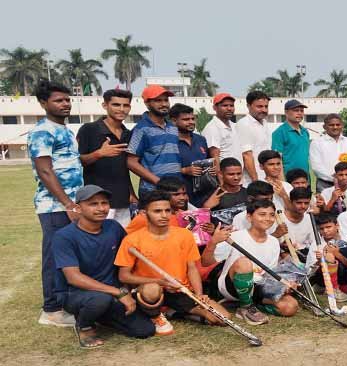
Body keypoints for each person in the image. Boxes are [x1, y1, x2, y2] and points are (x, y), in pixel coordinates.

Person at [115, 190, 230, 335]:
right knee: (152, 289)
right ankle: (155, 315)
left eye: (167, 210)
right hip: (150, 290)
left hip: (180, 289)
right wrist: (160, 281)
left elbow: (192, 268)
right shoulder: (132, 240)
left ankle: (176, 312)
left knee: (222, 318)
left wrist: (200, 294)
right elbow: (124, 276)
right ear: (144, 213)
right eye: (157, 211)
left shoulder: (184, 235)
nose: (164, 215)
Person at [53, 185, 155, 348]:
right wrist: (119, 293)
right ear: (78, 208)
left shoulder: (113, 227)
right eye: (93, 204)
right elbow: (74, 277)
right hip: (76, 294)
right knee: (100, 300)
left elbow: (127, 260)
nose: (101, 208)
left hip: (111, 293)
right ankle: (84, 326)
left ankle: (101, 315)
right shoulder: (64, 236)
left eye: (104, 203)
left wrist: (128, 288)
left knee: (145, 330)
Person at [29, 81, 83, 327]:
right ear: (43, 103)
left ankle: (65, 303)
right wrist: (68, 204)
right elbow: (45, 170)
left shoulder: (65, 130)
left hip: (71, 204)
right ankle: (51, 310)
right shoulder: (43, 131)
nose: (65, 104)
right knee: (54, 256)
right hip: (54, 207)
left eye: (67, 100)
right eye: (58, 100)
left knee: (69, 256)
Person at [206, 199, 299, 322]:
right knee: (244, 263)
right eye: (262, 214)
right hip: (232, 286)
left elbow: (268, 275)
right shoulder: (235, 236)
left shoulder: (274, 242)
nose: (268, 218)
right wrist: (213, 242)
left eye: (271, 215)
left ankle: (249, 304)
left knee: (290, 307)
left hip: (259, 286)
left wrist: (285, 284)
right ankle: (246, 307)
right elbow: (206, 262)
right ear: (249, 217)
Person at [77, 89, 137, 228]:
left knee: (121, 241)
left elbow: (123, 167)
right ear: (105, 105)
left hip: (123, 200)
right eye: (116, 105)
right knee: (100, 242)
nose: (121, 109)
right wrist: (99, 153)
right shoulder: (89, 129)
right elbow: (79, 161)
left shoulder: (127, 134)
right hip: (98, 202)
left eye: (125, 105)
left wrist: (131, 193)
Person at [126, 85, 181, 196]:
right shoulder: (141, 129)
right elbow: (131, 162)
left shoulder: (173, 127)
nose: (164, 104)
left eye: (166, 100)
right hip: (152, 191)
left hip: (175, 190)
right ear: (147, 103)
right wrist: (159, 182)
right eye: (158, 101)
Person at [171, 103, 212, 207]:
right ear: (174, 121)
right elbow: (162, 168)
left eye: (193, 119)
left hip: (204, 194)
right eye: (186, 119)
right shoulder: (169, 141)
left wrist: (210, 169)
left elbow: (207, 161)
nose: (191, 122)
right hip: (181, 195)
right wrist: (185, 170)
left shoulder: (200, 139)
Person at [309, 114, 347, 192]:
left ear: (342, 125)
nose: (335, 127)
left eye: (338, 125)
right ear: (324, 127)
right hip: (325, 184)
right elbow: (316, 167)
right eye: (331, 125)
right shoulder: (316, 143)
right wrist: (335, 178)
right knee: (326, 204)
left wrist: (346, 177)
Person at [315, 213, 347, 296]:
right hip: (322, 277)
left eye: (328, 227)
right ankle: (332, 288)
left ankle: (337, 288)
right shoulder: (316, 244)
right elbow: (312, 270)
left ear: (337, 225)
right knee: (329, 256)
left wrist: (337, 254)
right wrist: (321, 259)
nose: (325, 231)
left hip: (343, 275)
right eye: (321, 228)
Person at [237, 91, 272, 184]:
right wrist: (255, 181)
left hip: (266, 178)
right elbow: (247, 155)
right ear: (248, 106)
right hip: (251, 181)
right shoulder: (244, 124)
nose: (264, 110)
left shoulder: (264, 123)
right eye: (259, 106)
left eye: (266, 106)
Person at [201, 93, 242, 170]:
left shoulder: (234, 126)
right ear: (215, 107)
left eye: (231, 105)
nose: (229, 108)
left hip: (237, 175)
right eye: (225, 105)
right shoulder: (212, 128)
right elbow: (215, 157)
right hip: (225, 175)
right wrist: (221, 178)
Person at [272, 99, 310, 175]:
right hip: (289, 179)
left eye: (302, 111)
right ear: (286, 112)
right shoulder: (279, 132)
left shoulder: (305, 132)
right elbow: (277, 160)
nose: (299, 113)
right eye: (296, 110)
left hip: (305, 179)